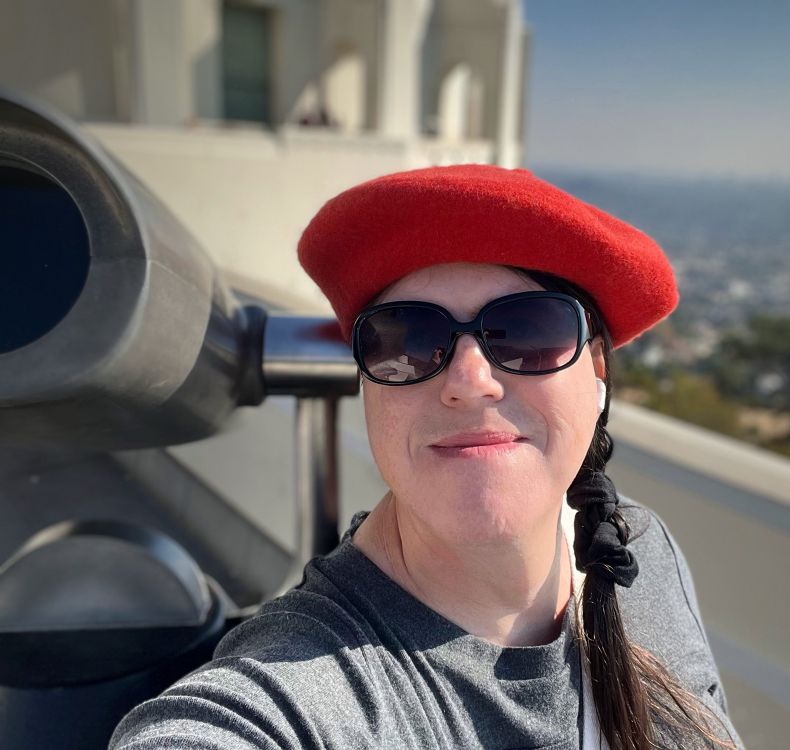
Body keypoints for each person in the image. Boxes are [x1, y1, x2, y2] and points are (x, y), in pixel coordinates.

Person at [109, 165, 744, 750]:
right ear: (369, 386)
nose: (469, 380)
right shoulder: (293, 696)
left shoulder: (640, 553)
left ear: (597, 370)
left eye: (527, 331)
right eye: (410, 340)